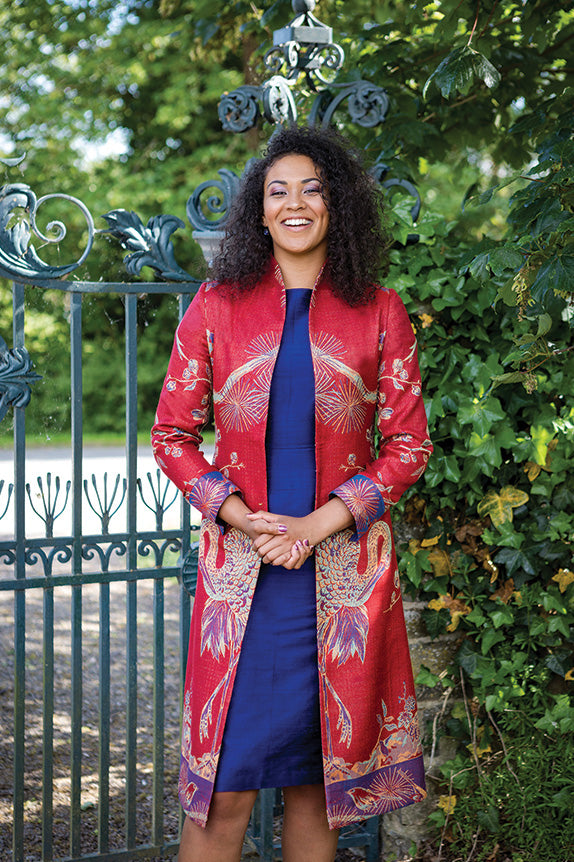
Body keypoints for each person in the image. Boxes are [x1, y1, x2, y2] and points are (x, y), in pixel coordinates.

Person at [151, 124, 432, 862]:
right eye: (279, 191)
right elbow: (172, 436)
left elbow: (409, 446)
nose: (296, 203)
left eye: (313, 188)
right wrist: (242, 519)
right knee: (226, 789)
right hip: (244, 583)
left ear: (337, 205)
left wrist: (316, 526)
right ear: (260, 210)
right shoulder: (216, 306)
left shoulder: (380, 310)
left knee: (318, 789)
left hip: (340, 587)